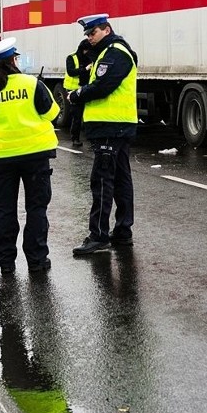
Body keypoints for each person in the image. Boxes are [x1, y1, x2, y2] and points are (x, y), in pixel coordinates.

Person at [0, 37, 60, 274]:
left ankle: (6, 263)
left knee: (5, 210)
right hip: (36, 156)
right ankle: (36, 260)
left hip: (3, 159)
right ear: (14, 60)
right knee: (36, 209)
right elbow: (52, 113)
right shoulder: (32, 83)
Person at [69, 13, 139, 256]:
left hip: (111, 126)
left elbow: (102, 86)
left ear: (106, 29)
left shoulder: (116, 52)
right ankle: (122, 232)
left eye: (93, 33)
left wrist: (77, 95)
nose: (89, 38)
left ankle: (98, 236)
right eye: (88, 35)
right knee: (120, 179)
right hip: (114, 125)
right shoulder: (106, 53)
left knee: (101, 181)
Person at [64, 38, 93, 147]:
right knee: (77, 116)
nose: (87, 53)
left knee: (89, 115)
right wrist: (85, 69)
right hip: (74, 91)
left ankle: (90, 137)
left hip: (87, 89)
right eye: (86, 50)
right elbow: (71, 72)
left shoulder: (91, 58)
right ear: (82, 49)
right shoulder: (71, 58)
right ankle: (75, 138)